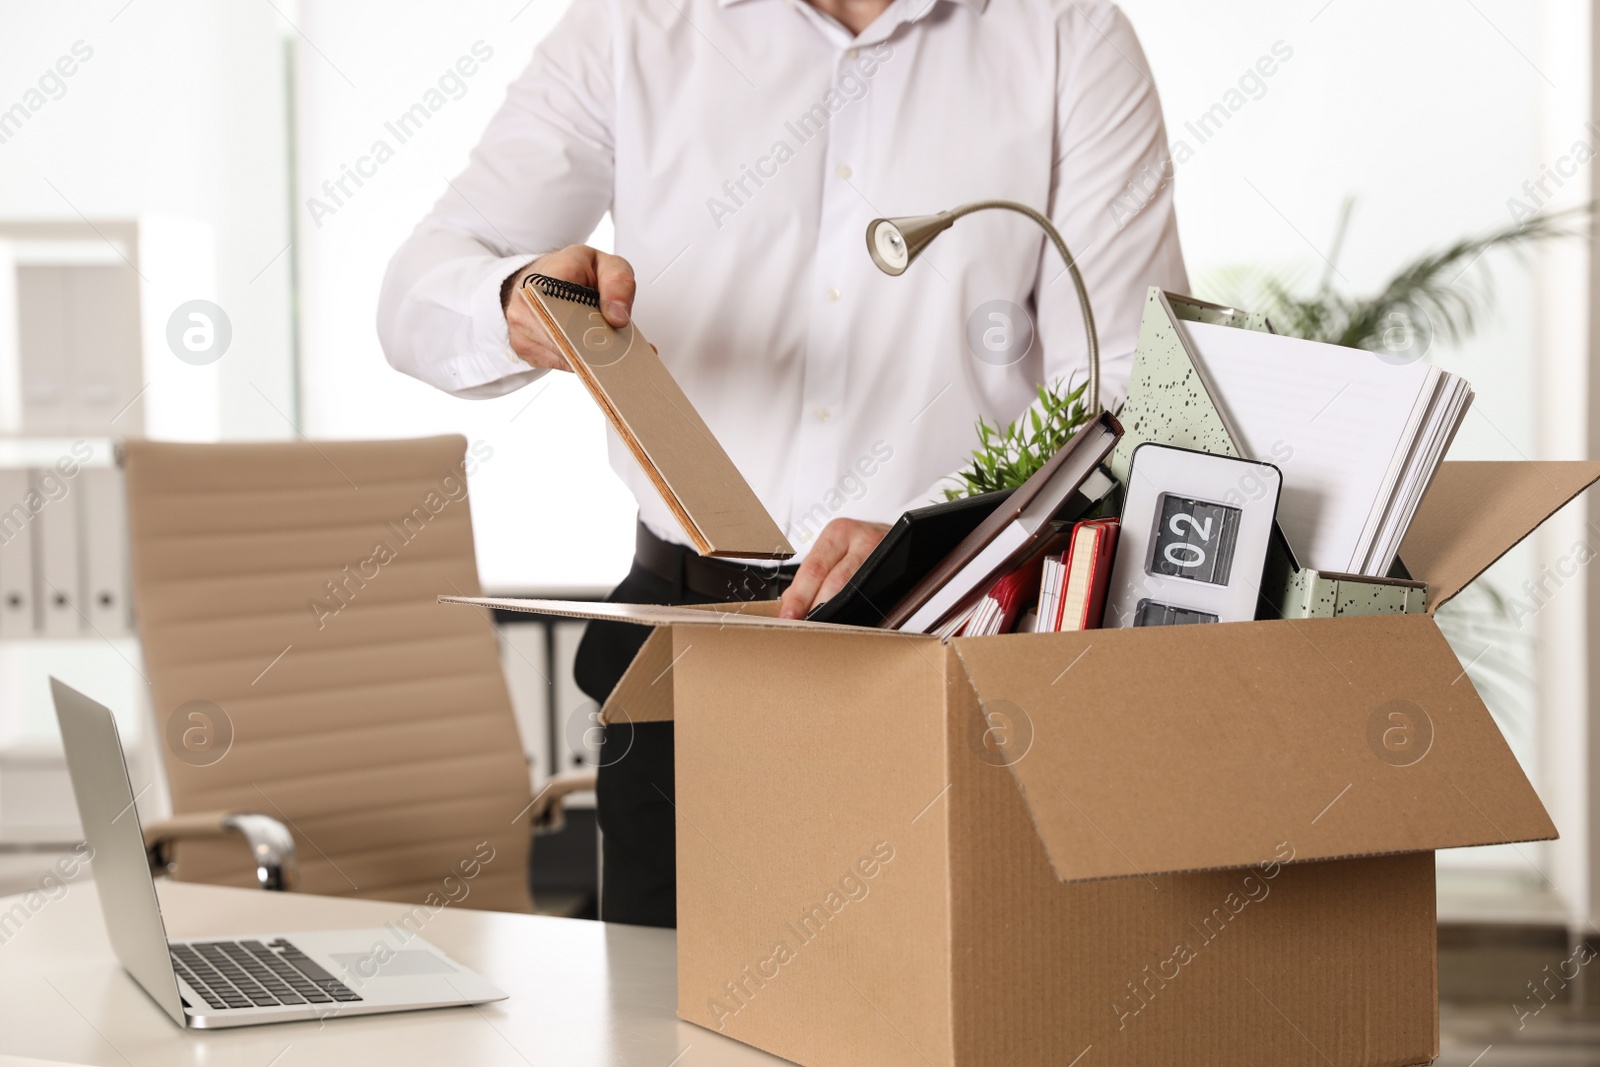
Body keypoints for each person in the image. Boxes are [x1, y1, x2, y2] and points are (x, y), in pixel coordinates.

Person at [378, 0, 1187, 928]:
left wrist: (940, 538)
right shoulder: (632, 26)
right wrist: (511, 302)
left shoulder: (1065, 36)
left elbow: (1131, 388)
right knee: (661, 1029)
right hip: (679, 660)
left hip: (940, 653)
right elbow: (419, 285)